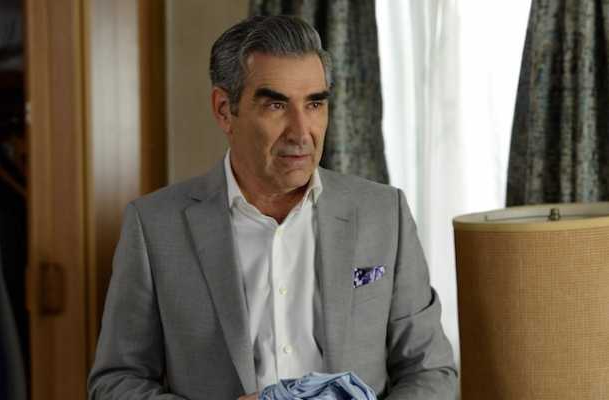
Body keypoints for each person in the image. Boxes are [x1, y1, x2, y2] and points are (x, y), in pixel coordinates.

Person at [88, 15, 457, 400]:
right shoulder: (155, 226)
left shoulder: (384, 213)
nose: (301, 132)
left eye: (314, 104)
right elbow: (116, 381)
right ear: (224, 110)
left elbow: (430, 370)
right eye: (276, 105)